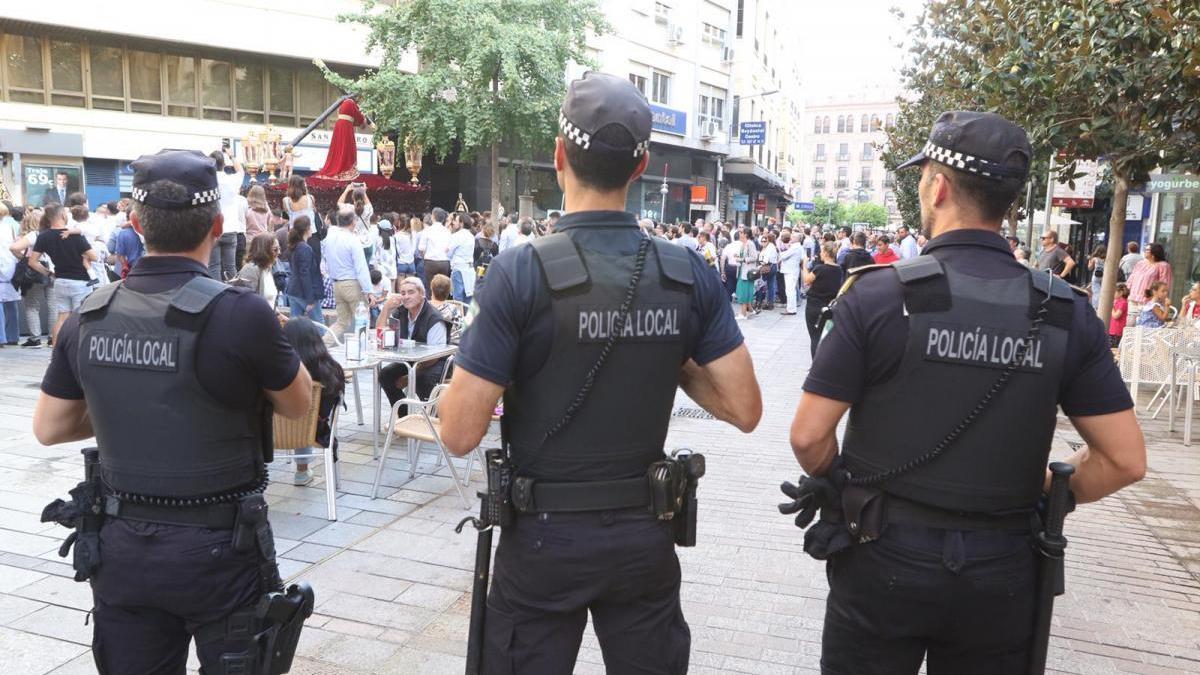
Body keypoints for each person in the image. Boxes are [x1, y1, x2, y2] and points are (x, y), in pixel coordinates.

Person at [787, 111, 1145, 674]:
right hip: (1002, 568)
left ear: (938, 185)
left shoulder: (877, 297)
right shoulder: (1063, 310)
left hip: (881, 553)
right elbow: (1124, 459)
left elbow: (809, 436)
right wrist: (1050, 491)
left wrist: (838, 482)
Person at [436, 72, 762, 675]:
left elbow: (457, 433)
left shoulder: (517, 272)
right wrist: (673, 356)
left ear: (558, 156)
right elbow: (745, 409)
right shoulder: (685, 271)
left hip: (541, 542)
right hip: (644, 535)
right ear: (640, 169)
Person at [32, 149, 314, 673]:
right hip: (219, 550)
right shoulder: (241, 313)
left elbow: (49, 427)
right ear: (218, 224)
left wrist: (134, 397)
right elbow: (299, 405)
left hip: (123, 550)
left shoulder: (86, 318)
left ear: (137, 225)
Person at [281, 317, 345, 484]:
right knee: (307, 416)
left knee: (296, 414)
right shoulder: (330, 371)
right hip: (313, 431)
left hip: (271, 430)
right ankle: (301, 472)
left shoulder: (275, 369)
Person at [374, 276, 449, 409]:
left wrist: (410, 376)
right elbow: (381, 334)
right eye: (403, 293)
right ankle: (403, 415)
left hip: (436, 362)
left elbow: (434, 356)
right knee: (386, 375)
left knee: (422, 380)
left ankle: (432, 417)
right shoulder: (401, 312)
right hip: (411, 359)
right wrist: (386, 308)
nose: (406, 297)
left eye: (411, 292)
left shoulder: (433, 318)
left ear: (422, 294)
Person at [27, 204, 99, 341]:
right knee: (80, 317)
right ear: (63, 215)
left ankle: (56, 352)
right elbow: (94, 257)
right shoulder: (75, 236)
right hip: (81, 281)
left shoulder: (43, 236)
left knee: (62, 316)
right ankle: (77, 350)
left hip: (60, 280)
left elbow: (32, 262)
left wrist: (49, 274)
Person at [10, 208, 51, 346]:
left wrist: (24, 259)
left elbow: (14, 248)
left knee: (32, 305)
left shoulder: (32, 235)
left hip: (35, 271)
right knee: (54, 305)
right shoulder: (53, 233)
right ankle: (53, 337)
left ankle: (35, 338)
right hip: (53, 270)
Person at [207, 148, 244, 280]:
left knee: (214, 266)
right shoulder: (232, 180)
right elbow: (241, 170)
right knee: (231, 267)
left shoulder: (208, 182)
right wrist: (231, 155)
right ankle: (233, 297)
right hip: (231, 228)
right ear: (224, 164)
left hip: (213, 229)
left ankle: (216, 297)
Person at [802, 241, 843, 358]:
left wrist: (804, 265)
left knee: (815, 336)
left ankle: (815, 364)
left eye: (821, 251)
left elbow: (807, 280)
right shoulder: (839, 269)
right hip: (830, 307)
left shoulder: (820, 268)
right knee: (826, 336)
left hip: (814, 306)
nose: (820, 254)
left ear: (825, 252)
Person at [317, 97, 369, 180]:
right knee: (347, 147)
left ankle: (337, 167)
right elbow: (360, 120)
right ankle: (345, 168)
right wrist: (364, 118)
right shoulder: (351, 103)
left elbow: (353, 119)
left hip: (340, 126)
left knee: (338, 147)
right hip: (346, 127)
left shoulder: (344, 103)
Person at [284, 216, 324, 322]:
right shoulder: (305, 248)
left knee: (295, 326)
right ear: (307, 229)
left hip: (293, 290)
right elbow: (304, 274)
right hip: (305, 292)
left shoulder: (293, 247)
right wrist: (310, 299)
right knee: (319, 326)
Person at [234, 233, 281, 308]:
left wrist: (278, 314)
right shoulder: (251, 270)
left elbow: (269, 301)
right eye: (275, 249)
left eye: (279, 249)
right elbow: (244, 303)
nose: (279, 252)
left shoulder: (267, 268)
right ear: (264, 250)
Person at [1126, 242, 1172, 315]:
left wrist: (1157, 299)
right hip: (1133, 299)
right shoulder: (1140, 263)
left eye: (1147, 250)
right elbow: (1131, 278)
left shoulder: (1163, 266)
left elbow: (1164, 285)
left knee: (1144, 324)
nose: (1145, 251)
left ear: (1154, 252)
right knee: (1130, 323)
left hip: (1149, 302)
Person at [448, 211, 477, 301]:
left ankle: (458, 315)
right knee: (469, 296)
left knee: (458, 298)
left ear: (461, 223)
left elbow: (448, 252)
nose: (454, 223)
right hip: (469, 268)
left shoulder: (457, 236)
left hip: (459, 268)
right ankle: (469, 315)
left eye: (456, 221)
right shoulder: (471, 236)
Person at [778, 231, 806, 315]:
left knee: (790, 290)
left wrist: (781, 250)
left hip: (790, 270)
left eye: (792, 237)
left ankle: (791, 309)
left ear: (796, 239)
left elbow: (783, 256)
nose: (791, 238)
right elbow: (802, 258)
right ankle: (791, 308)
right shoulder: (798, 247)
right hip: (792, 270)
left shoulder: (795, 247)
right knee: (790, 290)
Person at [734, 227, 758, 319]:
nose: (739, 234)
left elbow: (754, 257)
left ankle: (743, 313)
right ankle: (751, 310)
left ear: (745, 234)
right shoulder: (743, 244)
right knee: (743, 290)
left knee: (744, 291)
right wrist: (738, 256)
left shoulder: (750, 244)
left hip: (747, 272)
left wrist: (742, 259)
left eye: (741, 232)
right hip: (742, 270)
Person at [1086, 244, 1107, 308]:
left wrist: (1089, 261)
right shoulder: (1107, 259)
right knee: (1103, 292)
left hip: (1096, 276)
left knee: (1096, 292)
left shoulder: (1095, 259)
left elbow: (1089, 268)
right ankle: (1103, 305)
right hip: (1104, 277)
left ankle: (1096, 306)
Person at [1109, 283, 1129, 348]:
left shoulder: (1123, 302)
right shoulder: (1117, 301)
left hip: (1117, 331)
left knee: (1114, 349)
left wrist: (1111, 307)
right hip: (1113, 330)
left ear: (1120, 293)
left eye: (1114, 292)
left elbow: (1116, 316)